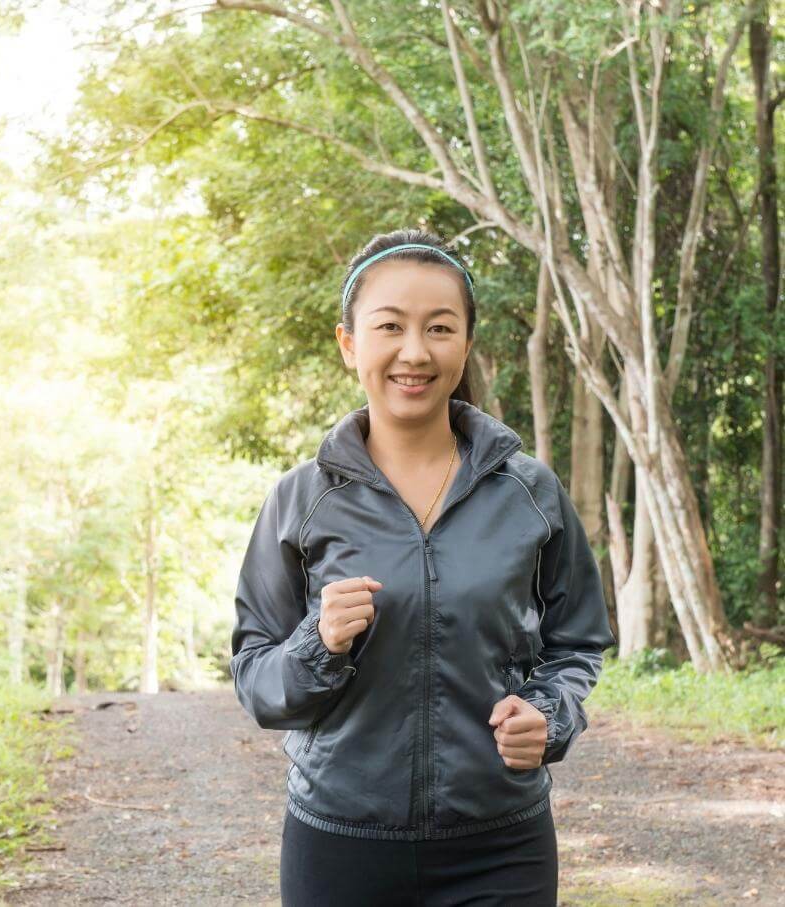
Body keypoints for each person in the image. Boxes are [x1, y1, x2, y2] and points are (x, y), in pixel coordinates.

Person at [229, 227, 617, 906]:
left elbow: (578, 640)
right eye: (390, 326)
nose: (415, 351)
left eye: (440, 328)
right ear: (350, 343)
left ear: (465, 345)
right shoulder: (301, 501)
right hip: (340, 842)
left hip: (503, 845)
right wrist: (317, 643)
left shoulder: (529, 492)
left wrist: (549, 715)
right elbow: (257, 679)